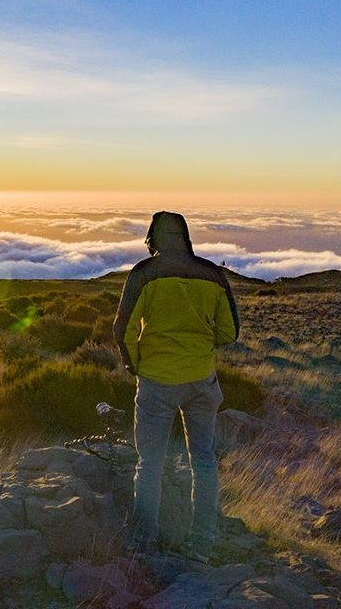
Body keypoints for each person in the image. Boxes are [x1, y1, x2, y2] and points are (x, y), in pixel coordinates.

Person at [113, 211, 239, 562]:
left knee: (150, 463)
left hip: (157, 381)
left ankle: (144, 541)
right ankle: (203, 543)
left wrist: (134, 362)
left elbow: (121, 329)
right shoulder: (212, 274)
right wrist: (199, 344)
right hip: (202, 380)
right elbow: (230, 333)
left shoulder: (144, 274)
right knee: (204, 462)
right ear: (185, 236)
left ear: (152, 237)